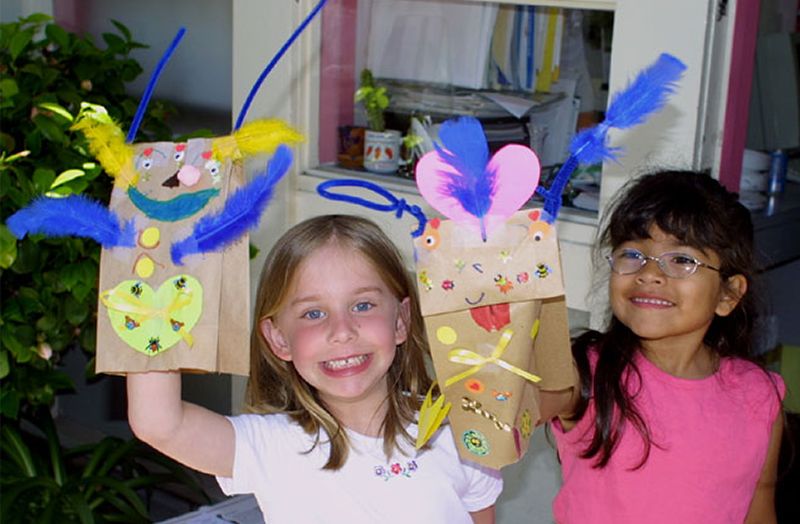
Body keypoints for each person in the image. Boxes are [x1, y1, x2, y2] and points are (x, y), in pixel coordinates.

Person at [127, 214, 502, 523]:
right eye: (314, 313)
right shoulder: (270, 446)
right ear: (279, 340)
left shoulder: (460, 431)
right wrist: (157, 297)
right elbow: (158, 423)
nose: (342, 332)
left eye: (363, 305)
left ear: (401, 320)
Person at [549, 171, 785, 523]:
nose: (649, 273)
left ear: (728, 294)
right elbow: (512, 400)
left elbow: (759, 502)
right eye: (632, 254)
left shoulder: (760, 395)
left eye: (682, 260)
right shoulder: (585, 371)